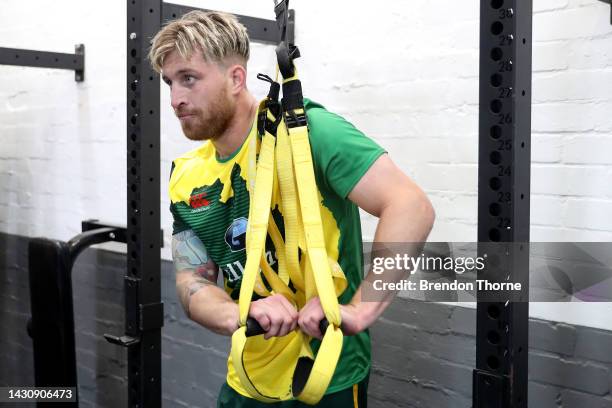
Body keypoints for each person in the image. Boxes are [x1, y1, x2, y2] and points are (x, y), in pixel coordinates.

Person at [148, 10, 435, 408]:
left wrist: (362, 308)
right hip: (246, 378)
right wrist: (238, 313)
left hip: (326, 376)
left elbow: (411, 206)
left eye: (189, 78)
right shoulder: (186, 177)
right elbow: (191, 282)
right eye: (169, 83)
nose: (176, 99)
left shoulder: (309, 133)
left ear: (236, 78)